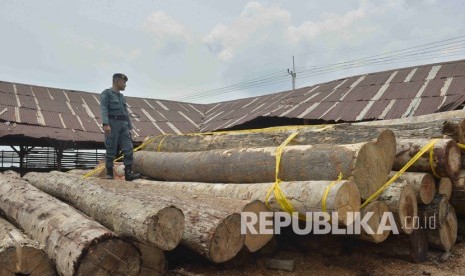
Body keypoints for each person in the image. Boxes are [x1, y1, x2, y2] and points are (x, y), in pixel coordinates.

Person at [100, 73, 140, 181]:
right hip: (112, 124)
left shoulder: (122, 97)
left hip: (124, 125)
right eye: (124, 82)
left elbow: (126, 112)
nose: (125, 85)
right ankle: (109, 173)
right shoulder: (106, 94)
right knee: (111, 148)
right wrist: (105, 124)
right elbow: (104, 109)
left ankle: (128, 174)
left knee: (129, 148)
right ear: (117, 81)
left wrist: (129, 127)